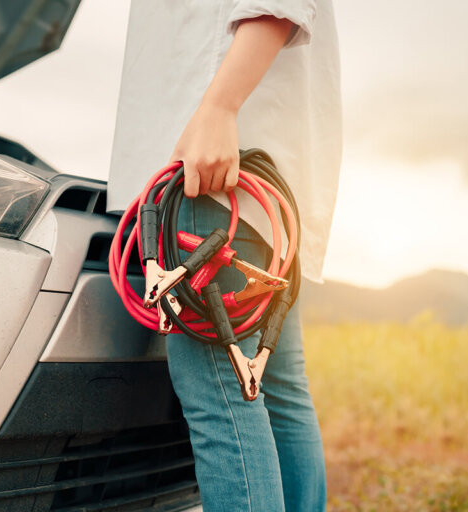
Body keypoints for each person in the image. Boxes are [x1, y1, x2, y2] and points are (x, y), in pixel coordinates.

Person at [108, 2, 341, 510]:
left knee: (222, 398)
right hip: (264, 184)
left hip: (210, 175)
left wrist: (219, 107)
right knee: (276, 389)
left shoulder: (216, 129)